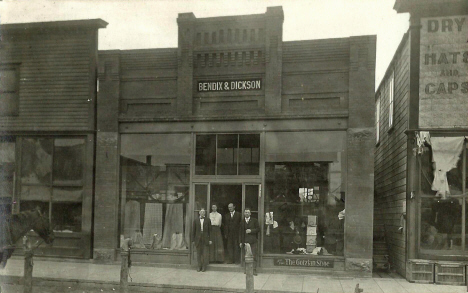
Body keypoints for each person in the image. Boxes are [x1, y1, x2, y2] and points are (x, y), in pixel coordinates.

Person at [239, 207, 259, 275]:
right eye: (245, 212)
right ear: (244, 213)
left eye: (248, 212)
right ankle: (247, 269)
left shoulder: (254, 220)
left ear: (250, 213)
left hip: (253, 241)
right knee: (246, 256)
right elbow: (240, 232)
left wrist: (251, 230)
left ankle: (254, 270)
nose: (246, 213)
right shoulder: (242, 222)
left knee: (253, 255)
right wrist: (241, 242)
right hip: (245, 241)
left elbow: (258, 229)